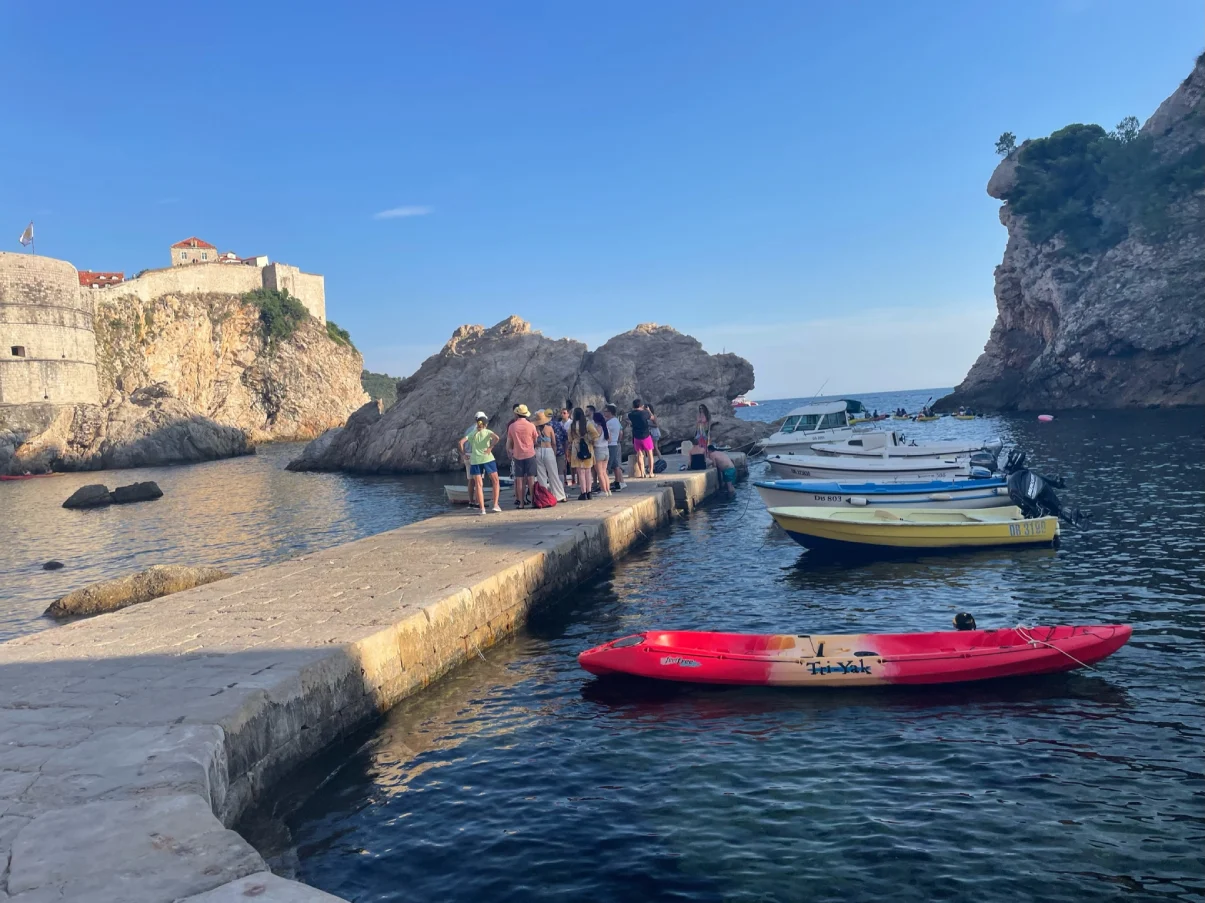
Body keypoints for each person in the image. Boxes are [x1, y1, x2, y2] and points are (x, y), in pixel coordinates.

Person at [457, 414, 502, 515]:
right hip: (488, 459)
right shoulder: (487, 432)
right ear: (485, 424)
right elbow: (497, 438)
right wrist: (491, 447)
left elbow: (461, 442)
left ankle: (482, 509)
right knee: (495, 481)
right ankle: (495, 505)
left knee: (478, 485)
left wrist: (464, 454)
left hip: (475, 460)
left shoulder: (472, 433)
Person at [506, 403, 539, 509]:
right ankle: (533, 501)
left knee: (519, 480)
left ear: (517, 414)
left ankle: (521, 503)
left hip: (517, 455)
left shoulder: (512, 426)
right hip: (530, 454)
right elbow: (535, 440)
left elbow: (509, 442)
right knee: (531, 479)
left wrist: (509, 451)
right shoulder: (531, 425)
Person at [532, 410, 567, 502]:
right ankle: (560, 495)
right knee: (553, 474)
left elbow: (534, 442)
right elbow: (554, 443)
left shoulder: (535, 429)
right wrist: (554, 454)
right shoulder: (549, 428)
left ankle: (544, 497)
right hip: (549, 450)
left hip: (538, 450)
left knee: (541, 475)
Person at [568, 407, 599, 500]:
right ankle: (589, 492)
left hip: (577, 448)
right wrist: (591, 442)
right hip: (587, 447)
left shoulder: (572, 425)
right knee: (588, 471)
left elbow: (570, 438)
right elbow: (595, 435)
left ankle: (583, 492)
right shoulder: (588, 424)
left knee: (580, 472)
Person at [627, 399, 654, 479]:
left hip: (636, 436)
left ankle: (642, 473)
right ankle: (651, 472)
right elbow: (652, 418)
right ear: (641, 405)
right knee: (649, 454)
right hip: (646, 435)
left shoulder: (630, 415)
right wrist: (648, 410)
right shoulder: (644, 413)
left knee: (639, 454)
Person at [591, 411, 612, 497]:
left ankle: (603, 490)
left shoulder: (598, 428)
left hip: (598, 450)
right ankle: (608, 490)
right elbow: (609, 440)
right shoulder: (606, 427)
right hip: (606, 450)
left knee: (600, 473)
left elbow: (595, 439)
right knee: (604, 472)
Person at [605, 403, 625, 491]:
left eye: (605, 411)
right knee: (615, 465)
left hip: (610, 445)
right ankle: (617, 483)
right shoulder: (616, 421)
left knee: (606, 466)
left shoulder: (609, 423)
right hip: (615, 444)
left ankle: (605, 486)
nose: (604, 413)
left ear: (610, 412)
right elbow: (621, 433)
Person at [690, 403, 711, 471]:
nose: (701, 410)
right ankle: (702, 456)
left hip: (704, 430)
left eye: (702, 408)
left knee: (705, 444)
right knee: (699, 443)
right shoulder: (699, 415)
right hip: (699, 430)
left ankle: (706, 456)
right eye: (700, 408)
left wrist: (708, 431)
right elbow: (697, 422)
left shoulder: (707, 415)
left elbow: (707, 423)